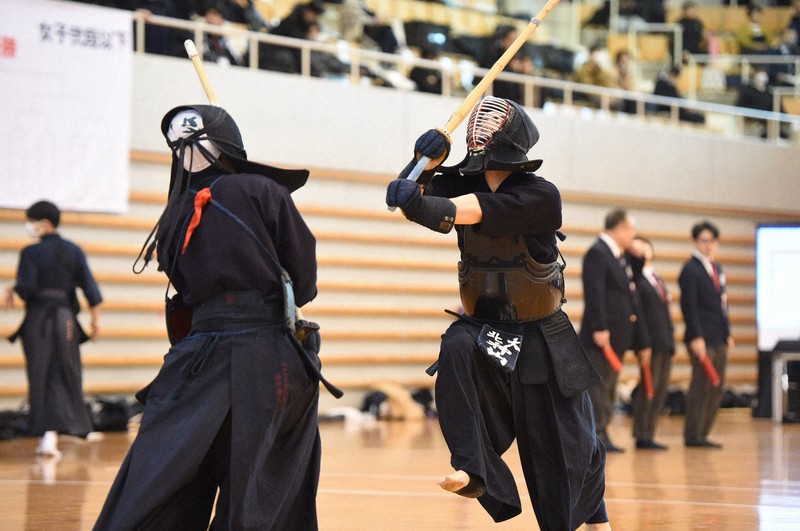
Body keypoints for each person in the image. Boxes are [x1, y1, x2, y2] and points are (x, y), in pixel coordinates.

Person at [94, 104, 340, 529]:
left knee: (162, 471)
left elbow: (183, 287)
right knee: (266, 479)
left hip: (196, 358)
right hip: (270, 356)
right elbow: (304, 281)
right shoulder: (264, 192)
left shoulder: (174, 211)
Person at [385, 96, 610, 529]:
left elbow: (461, 211)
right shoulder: (459, 182)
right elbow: (408, 197)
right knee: (456, 346)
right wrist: (421, 164)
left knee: (574, 450)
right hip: (486, 327)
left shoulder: (540, 196)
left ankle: (596, 523)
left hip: (543, 334)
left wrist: (421, 196)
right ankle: (474, 468)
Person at [4, 200, 103, 458]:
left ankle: (47, 435)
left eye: (31, 221)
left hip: (38, 320)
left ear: (44, 223)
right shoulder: (73, 250)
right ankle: (75, 426)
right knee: (68, 371)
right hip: (66, 319)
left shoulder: (30, 253)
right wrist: (95, 321)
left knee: (40, 374)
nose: (29, 226)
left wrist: (12, 289)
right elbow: (91, 290)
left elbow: (26, 289)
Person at [580, 209, 648, 453]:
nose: (633, 236)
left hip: (617, 335)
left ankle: (603, 433)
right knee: (598, 389)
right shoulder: (598, 253)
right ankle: (595, 436)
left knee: (608, 386)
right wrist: (599, 327)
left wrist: (638, 258)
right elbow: (594, 292)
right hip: (601, 336)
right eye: (631, 230)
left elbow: (630, 289)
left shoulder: (619, 256)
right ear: (619, 228)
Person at [678, 220, 732, 449]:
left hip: (719, 335)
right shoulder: (690, 270)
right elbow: (689, 306)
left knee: (716, 386)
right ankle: (693, 434)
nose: (708, 245)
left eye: (712, 241)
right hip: (701, 337)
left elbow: (723, 305)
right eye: (703, 240)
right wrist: (696, 337)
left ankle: (704, 432)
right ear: (695, 242)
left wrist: (728, 333)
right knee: (701, 385)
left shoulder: (716, 268)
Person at [628, 236, 674, 450]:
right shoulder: (636, 280)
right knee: (649, 388)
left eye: (645, 246)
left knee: (661, 389)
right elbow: (640, 315)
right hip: (650, 342)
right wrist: (642, 343)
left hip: (664, 340)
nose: (642, 251)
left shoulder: (657, 277)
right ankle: (641, 434)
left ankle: (651, 432)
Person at [478, 25, 536, 105]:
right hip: (496, 99)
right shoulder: (492, 54)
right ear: (502, 40)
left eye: (515, 41)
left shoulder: (520, 55)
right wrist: (510, 67)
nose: (514, 44)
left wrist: (523, 69)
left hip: (515, 102)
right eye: (510, 40)